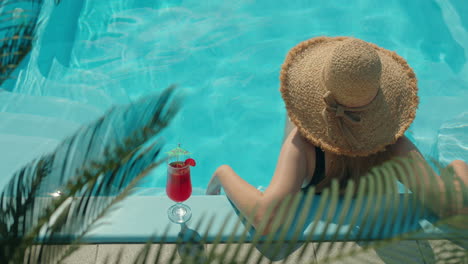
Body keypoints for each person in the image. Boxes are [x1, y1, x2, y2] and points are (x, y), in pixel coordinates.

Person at [206, 36, 468, 233]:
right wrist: (458, 168)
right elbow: (455, 208)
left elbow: (266, 218)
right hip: (369, 187)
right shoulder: (394, 146)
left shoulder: (302, 147)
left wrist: (223, 173)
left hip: (316, 168)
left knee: (292, 117)